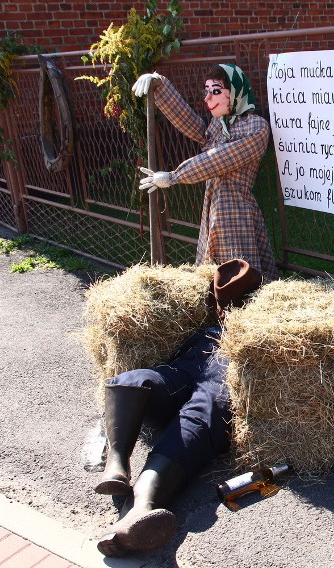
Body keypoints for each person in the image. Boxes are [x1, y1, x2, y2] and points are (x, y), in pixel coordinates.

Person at [94, 259, 263, 557]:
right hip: (182, 376)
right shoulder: (207, 329)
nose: (223, 309)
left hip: (217, 384)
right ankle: (117, 464)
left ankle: (137, 511)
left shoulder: (254, 338)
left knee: (193, 423)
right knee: (136, 379)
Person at [133, 64, 278, 279]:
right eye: (207, 91)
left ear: (236, 93)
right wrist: (160, 87)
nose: (207, 98)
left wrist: (175, 176)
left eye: (216, 91)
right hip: (212, 208)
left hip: (234, 211)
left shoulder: (256, 127)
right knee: (211, 274)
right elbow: (191, 124)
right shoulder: (218, 125)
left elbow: (218, 160)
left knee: (238, 274)